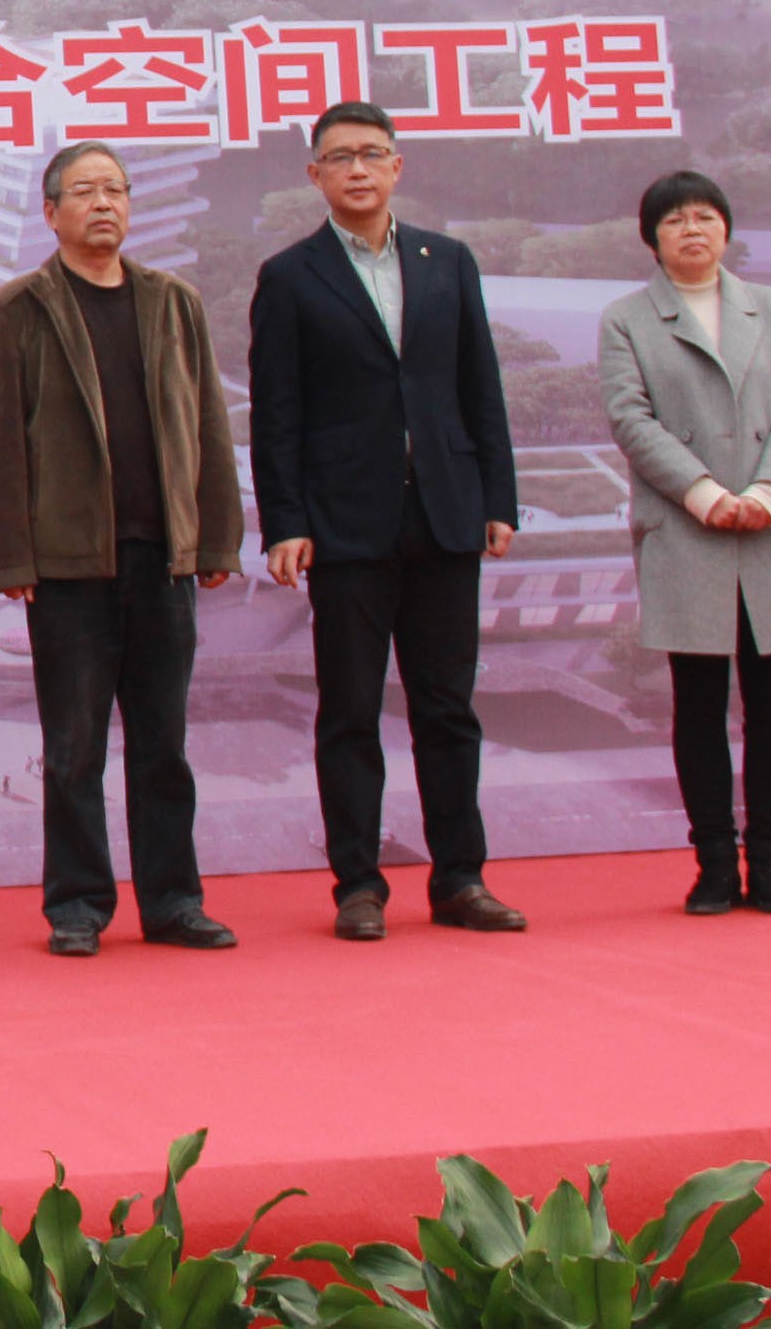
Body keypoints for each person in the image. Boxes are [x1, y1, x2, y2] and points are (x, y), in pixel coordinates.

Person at [247, 101, 527, 942]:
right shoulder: (289, 276)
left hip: (445, 514)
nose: (357, 170)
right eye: (339, 157)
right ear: (315, 175)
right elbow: (276, 412)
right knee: (349, 712)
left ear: (397, 166)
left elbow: (479, 384)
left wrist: (497, 499)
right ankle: (358, 885)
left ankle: (461, 879)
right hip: (344, 525)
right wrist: (284, 521)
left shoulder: (448, 261)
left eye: (372, 154)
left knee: (447, 709)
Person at [0, 143, 245, 958]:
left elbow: (208, 423)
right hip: (67, 566)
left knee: (163, 748)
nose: (102, 204)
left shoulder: (172, 302)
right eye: (83, 192)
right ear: (51, 213)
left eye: (114, 190)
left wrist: (213, 537)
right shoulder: (16, 309)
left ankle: (173, 902)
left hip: (162, 560)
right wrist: (11, 559)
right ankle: (77, 905)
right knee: (73, 749)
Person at [600, 172, 771, 914]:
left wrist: (769, 493)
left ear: (726, 230)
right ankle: (712, 865)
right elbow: (630, 418)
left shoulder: (770, 308)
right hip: (686, 524)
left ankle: (770, 864)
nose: (692, 230)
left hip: (770, 523)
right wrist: (703, 492)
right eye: (674, 220)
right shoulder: (626, 319)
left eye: (705, 217)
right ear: (652, 237)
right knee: (698, 704)